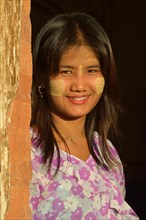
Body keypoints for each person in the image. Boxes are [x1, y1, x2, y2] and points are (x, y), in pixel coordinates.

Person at [29, 12, 139, 219]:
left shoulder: (107, 153)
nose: (79, 85)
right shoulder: (27, 153)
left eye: (91, 70)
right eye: (66, 71)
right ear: (43, 77)